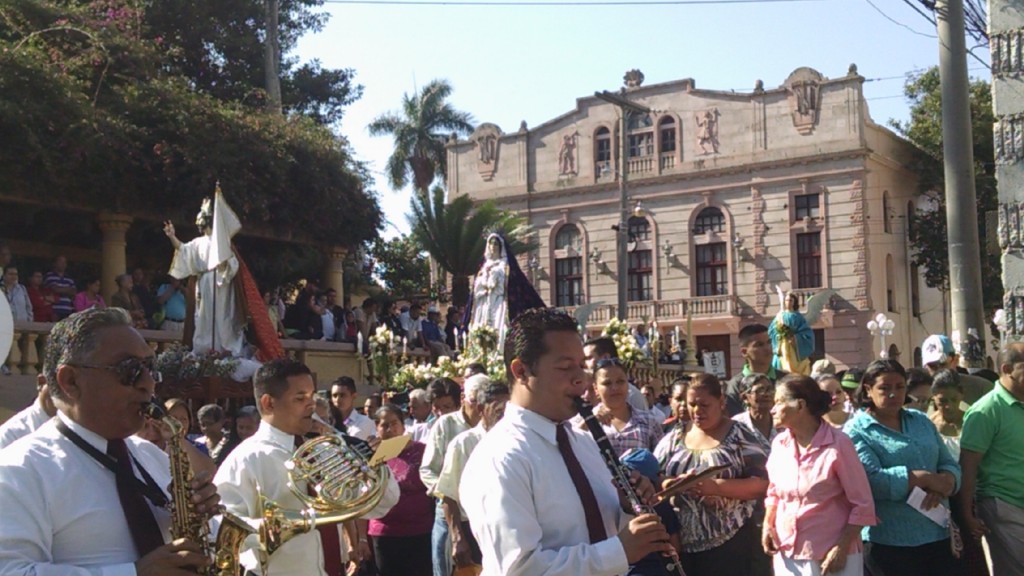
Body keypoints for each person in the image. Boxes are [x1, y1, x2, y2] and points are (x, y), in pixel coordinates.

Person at [0, 307, 221, 574]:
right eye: (129, 370)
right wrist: (133, 573)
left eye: (150, 368)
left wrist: (203, 518)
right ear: (70, 381)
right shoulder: (18, 470)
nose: (148, 383)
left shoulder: (153, 458)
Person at [460, 308, 672, 575]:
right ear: (521, 371)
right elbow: (519, 569)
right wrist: (619, 550)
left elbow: (600, 532)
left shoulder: (585, 443)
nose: (581, 379)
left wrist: (627, 508)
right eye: (565, 367)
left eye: (582, 366)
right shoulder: (499, 458)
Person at [214, 358, 400, 576]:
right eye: (300, 398)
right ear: (268, 403)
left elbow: (383, 504)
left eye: (312, 396)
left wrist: (373, 466)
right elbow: (220, 528)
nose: (311, 405)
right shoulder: (246, 459)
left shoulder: (325, 448)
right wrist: (266, 530)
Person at [844, 359, 963, 576]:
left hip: (936, 534)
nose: (893, 394)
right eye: (884, 388)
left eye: (899, 387)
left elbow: (948, 463)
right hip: (889, 543)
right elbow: (871, 481)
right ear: (868, 390)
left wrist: (945, 482)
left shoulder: (920, 421)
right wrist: (922, 478)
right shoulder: (856, 430)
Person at [763, 374, 876, 576]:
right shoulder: (780, 444)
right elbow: (774, 493)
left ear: (800, 405)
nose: (772, 409)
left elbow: (862, 504)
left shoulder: (839, 444)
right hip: (788, 552)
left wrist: (841, 548)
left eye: (779, 402)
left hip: (832, 557)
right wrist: (767, 525)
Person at [661, 372, 770, 576]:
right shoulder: (676, 436)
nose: (696, 411)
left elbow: (762, 484)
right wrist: (671, 485)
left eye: (704, 405)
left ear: (720, 402)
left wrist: (716, 487)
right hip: (682, 545)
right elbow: (656, 477)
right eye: (692, 404)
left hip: (730, 545)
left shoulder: (740, 434)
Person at [957, 342, 1024, 575]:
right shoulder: (985, 411)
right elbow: (968, 465)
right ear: (1007, 369)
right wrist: (967, 514)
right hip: (1004, 505)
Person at [436, 380, 511, 572]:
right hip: (471, 532)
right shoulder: (464, 443)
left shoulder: (515, 441)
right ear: (480, 409)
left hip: (508, 530)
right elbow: (448, 494)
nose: (505, 417)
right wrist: (457, 538)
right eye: (499, 410)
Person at [163, 192, 245, 355]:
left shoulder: (222, 242)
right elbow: (183, 250)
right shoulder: (197, 243)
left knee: (220, 316)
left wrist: (223, 265)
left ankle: (222, 346)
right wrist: (172, 236)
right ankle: (204, 346)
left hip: (219, 282)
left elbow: (232, 263)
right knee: (203, 317)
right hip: (203, 282)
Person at [421, 375, 485, 576]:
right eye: (475, 401)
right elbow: (427, 470)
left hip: (482, 516)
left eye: (485, 402)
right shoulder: (445, 424)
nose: (480, 408)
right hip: (450, 515)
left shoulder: (492, 425)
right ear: (465, 398)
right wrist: (448, 490)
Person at [368, 404, 434, 576]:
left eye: (394, 423)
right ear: (377, 427)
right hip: (384, 533)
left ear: (403, 426)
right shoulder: (370, 455)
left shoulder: (422, 451)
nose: (389, 429)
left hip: (420, 532)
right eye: (384, 425)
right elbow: (362, 497)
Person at [579, 357, 664, 456]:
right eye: (607, 383)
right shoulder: (582, 421)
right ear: (596, 388)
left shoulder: (649, 422)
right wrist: (588, 423)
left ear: (628, 384)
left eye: (620, 382)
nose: (615, 388)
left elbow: (661, 462)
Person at [725, 324, 788, 416]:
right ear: (744, 352)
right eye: (759, 345)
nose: (767, 348)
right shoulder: (735, 386)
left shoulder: (786, 380)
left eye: (769, 342)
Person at [921, 334, 993, 406]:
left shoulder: (981, 389)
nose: (938, 371)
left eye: (942, 364)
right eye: (932, 366)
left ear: (955, 360)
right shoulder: (920, 394)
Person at [583, 336, 649, 413]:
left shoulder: (632, 395)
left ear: (605, 357)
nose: (583, 364)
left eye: (588, 358)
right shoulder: (582, 391)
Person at [469, 234, 510, 347]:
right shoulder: (484, 265)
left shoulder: (504, 264)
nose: (493, 246)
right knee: (481, 326)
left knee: (498, 326)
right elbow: (477, 286)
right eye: (491, 243)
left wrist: (494, 275)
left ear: (500, 246)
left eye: (496, 243)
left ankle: (498, 353)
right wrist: (483, 281)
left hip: (497, 300)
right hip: (484, 301)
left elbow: (503, 284)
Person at [0, 375, 57, 449]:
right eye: (58, 386)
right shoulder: (11, 436)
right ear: (41, 382)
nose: (68, 392)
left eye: (73, 384)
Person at [768, 290, 814, 375]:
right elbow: (771, 330)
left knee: (793, 365)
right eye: (786, 300)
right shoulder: (780, 315)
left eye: (790, 300)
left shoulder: (798, 317)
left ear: (794, 302)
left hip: (794, 346)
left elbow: (806, 331)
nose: (788, 302)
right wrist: (779, 333)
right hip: (781, 345)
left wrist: (795, 338)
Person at [732, 373, 778, 447]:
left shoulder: (782, 421)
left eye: (769, 390)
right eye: (760, 390)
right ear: (745, 398)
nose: (767, 394)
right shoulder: (737, 425)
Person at [329, 376, 376, 441]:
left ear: (354, 396)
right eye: (334, 395)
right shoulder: (327, 423)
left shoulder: (366, 422)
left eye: (342, 395)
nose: (338, 399)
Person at [43, 255, 76, 320]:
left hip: (67, 310)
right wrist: (68, 290)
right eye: (60, 262)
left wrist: (60, 289)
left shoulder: (69, 278)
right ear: (55, 263)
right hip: (54, 311)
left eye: (65, 262)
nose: (63, 264)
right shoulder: (49, 276)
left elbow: (74, 292)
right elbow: (54, 289)